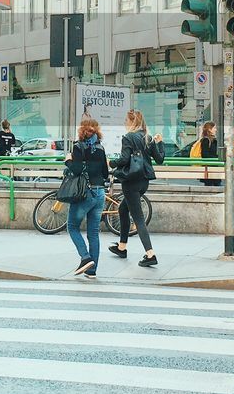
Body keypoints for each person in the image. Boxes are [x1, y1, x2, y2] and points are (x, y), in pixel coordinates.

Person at [106, 109, 165, 267]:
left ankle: (150, 254)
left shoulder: (128, 137)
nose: (125, 123)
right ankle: (122, 247)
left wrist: (111, 163)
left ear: (131, 122)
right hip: (144, 181)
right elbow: (159, 159)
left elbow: (125, 159)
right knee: (123, 210)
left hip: (131, 182)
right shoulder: (148, 137)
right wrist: (160, 142)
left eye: (126, 120)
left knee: (138, 219)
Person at [64, 117, 110, 279]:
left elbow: (76, 170)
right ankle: (92, 270)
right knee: (93, 233)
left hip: (86, 193)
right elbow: (105, 173)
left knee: (72, 227)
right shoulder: (101, 148)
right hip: (100, 194)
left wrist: (68, 161)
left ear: (82, 130)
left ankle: (85, 258)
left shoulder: (78, 147)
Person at [189, 122, 219, 186]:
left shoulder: (212, 140)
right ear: (209, 129)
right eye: (214, 128)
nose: (216, 130)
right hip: (209, 167)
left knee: (214, 185)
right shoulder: (206, 140)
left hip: (212, 167)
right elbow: (205, 154)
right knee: (212, 185)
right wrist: (217, 158)